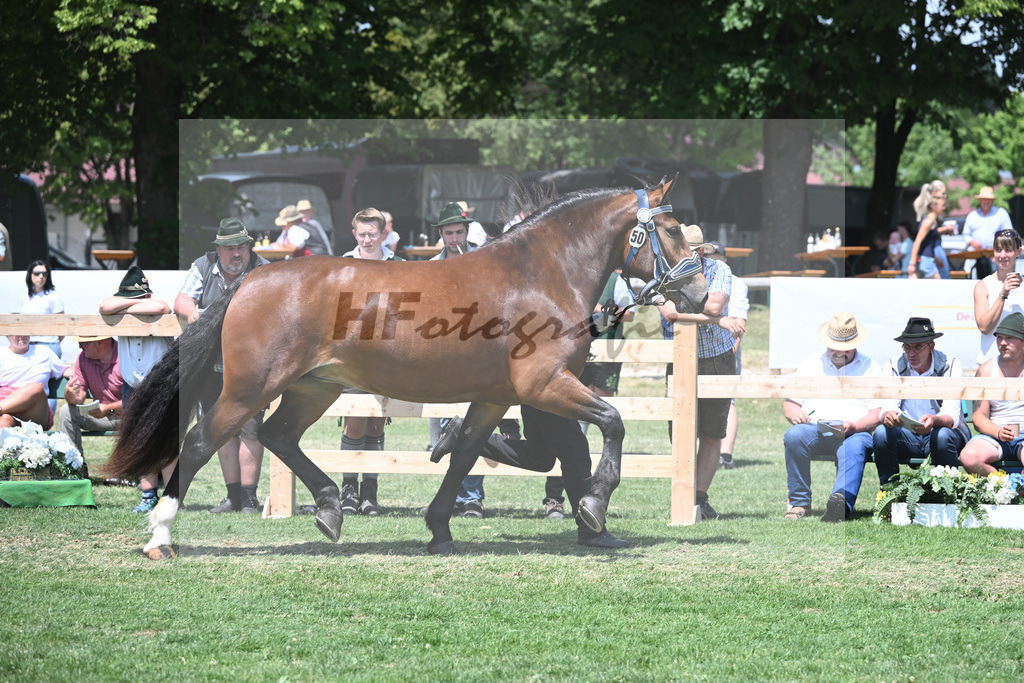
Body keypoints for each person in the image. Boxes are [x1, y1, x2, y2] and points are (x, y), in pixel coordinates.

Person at [431, 406, 630, 548]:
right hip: (548, 388)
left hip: (537, 393)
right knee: (575, 453)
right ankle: (591, 531)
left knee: (540, 458)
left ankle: (463, 433)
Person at [175, 218, 269, 514]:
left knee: (251, 429)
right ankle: (233, 496)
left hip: (252, 367)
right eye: (230, 248)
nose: (237, 253)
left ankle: (249, 497)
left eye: (241, 247)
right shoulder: (202, 266)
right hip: (212, 367)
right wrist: (192, 312)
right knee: (221, 430)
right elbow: (181, 299)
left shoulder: (263, 270)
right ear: (218, 250)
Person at [657, 226, 738, 520]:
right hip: (679, 358)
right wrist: (719, 321)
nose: (678, 255)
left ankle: (699, 497)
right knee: (678, 432)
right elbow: (670, 312)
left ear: (700, 252)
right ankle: (687, 492)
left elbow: (714, 305)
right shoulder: (661, 272)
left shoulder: (719, 269)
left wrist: (681, 311)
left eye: (687, 251)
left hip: (717, 358)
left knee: (712, 433)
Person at [543, 269, 635, 517]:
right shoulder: (572, 273)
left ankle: (586, 495)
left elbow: (629, 313)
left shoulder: (616, 280)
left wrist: (596, 309)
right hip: (573, 355)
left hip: (606, 353)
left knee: (602, 423)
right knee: (570, 427)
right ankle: (555, 497)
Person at [782, 312, 881, 522]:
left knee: (856, 446)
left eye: (845, 348)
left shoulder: (871, 367)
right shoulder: (810, 362)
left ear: (855, 344)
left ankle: (840, 504)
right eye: (834, 346)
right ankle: (799, 502)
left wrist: (855, 426)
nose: (839, 352)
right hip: (815, 428)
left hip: (855, 431)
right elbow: (790, 404)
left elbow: (877, 413)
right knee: (794, 435)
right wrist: (795, 415)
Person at [337, 208, 400, 516]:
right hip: (353, 356)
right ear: (354, 234)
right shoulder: (343, 265)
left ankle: (370, 492)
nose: (367, 239)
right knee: (354, 420)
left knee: (376, 422)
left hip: (388, 357)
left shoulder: (399, 266)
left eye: (372, 234)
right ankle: (348, 489)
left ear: (383, 234)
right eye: (361, 234)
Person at [99, 266, 175, 513]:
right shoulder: (121, 307)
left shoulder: (151, 305)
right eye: (128, 298)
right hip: (133, 385)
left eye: (138, 298)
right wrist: (134, 304)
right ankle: (148, 494)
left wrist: (128, 306)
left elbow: (161, 307)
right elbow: (104, 306)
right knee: (138, 441)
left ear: (146, 295)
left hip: (161, 385)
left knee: (167, 442)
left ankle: (172, 496)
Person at [428, 202, 488, 517]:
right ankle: (452, 497)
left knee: (474, 425)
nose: (454, 238)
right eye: (449, 233)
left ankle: (473, 497)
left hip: (477, 354)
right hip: (444, 355)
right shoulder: (430, 266)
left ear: (467, 232)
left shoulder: (483, 260)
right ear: (440, 234)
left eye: (459, 232)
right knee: (446, 426)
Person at [872, 317, 971, 485]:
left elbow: (951, 416)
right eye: (906, 346)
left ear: (931, 346)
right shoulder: (893, 364)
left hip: (940, 434)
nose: (911, 353)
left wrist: (934, 421)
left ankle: (947, 493)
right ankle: (889, 493)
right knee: (881, 432)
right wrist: (887, 416)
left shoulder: (951, 365)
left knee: (942, 434)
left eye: (917, 347)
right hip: (907, 435)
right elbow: (888, 407)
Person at [960, 312, 1024, 475]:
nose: (1003, 343)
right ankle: (1003, 486)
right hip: (995, 434)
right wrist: (998, 432)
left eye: (1009, 338)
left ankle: (1019, 487)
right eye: (999, 338)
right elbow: (979, 417)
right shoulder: (986, 370)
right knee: (969, 457)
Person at [705, 242, 748, 470]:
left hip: (725, 347)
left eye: (717, 256)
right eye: (709, 255)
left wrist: (731, 349)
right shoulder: (700, 279)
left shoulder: (736, 283)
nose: (713, 259)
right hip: (701, 348)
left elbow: (739, 319)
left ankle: (725, 454)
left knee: (727, 400)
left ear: (725, 259)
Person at [58, 335, 122, 455]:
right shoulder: (82, 358)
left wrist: (109, 408)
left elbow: (138, 399)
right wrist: (71, 396)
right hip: (102, 416)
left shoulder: (126, 356)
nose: (79, 347)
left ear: (100, 342)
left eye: (83, 343)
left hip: (130, 417)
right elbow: (79, 397)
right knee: (66, 411)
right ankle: (75, 463)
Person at [972, 228, 1024, 364]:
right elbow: (984, 327)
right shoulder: (983, 286)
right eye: (998, 250)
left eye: (1008, 250)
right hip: (991, 363)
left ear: (1018, 251)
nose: (1002, 255)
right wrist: (1003, 294)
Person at [0, 334, 72, 429]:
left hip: (34, 412)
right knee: (5, 421)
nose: (21, 335)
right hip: (6, 410)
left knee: (36, 388)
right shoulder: (2, 353)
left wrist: (82, 371)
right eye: (16, 332)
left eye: (25, 331)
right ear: (8, 334)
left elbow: (64, 370)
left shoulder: (43, 352)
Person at [907, 183, 945, 280]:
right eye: (942, 205)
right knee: (939, 285)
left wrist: (936, 260)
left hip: (925, 260)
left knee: (913, 283)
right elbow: (917, 241)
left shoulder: (933, 221)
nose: (943, 208)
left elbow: (927, 244)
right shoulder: (929, 221)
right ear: (934, 206)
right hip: (926, 261)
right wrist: (912, 264)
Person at [963, 186, 1014, 251]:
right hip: (975, 252)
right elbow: (966, 234)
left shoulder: (1001, 213)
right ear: (979, 200)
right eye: (984, 199)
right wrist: (972, 242)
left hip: (997, 252)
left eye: (989, 199)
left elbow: (1009, 234)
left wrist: (999, 246)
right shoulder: (972, 216)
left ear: (992, 200)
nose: (986, 202)